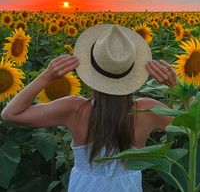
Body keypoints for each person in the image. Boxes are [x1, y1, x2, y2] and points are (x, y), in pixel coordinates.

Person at [1, 24, 177, 192]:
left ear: (91, 71)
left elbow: (10, 114)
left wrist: (47, 76)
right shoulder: (148, 111)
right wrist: (176, 87)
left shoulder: (74, 109)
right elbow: (195, 125)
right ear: (133, 71)